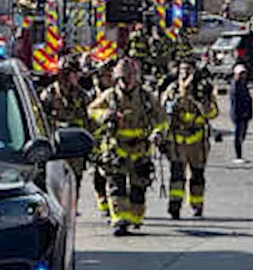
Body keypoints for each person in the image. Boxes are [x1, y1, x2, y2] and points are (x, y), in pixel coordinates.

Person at [88, 58, 166, 236]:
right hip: (117, 149)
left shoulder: (147, 97)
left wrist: (158, 133)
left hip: (140, 149)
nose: (126, 81)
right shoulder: (110, 96)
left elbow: (162, 118)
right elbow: (91, 110)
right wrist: (105, 114)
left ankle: (135, 218)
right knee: (117, 185)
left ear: (136, 77)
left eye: (129, 77)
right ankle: (119, 221)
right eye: (122, 78)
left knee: (139, 188)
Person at [162, 59, 219, 219]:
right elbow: (162, 111)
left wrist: (202, 100)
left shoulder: (202, 91)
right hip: (177, 142)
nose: (185, 74)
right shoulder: (172, 90)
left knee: (197, 176)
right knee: (177, 176)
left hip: (197, 142)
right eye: (182, 71)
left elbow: (213, 114)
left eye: (188, 70)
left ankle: (197, 206)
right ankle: (175, 207)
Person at [40, 57, 90, 188]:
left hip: (76, 151)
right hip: (56, 150)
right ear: (65, 75)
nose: (77, 77)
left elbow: (89, 120)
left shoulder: (82, 96)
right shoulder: (49, 96)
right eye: (75, 74)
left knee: (74, 185)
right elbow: (40, 122)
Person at [88, 60, 117, 218]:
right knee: (97, 175)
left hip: (112, 140)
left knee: (114, 174)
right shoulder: (91, 96)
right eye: (103, 76)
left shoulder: (114, 95)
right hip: (95, 141)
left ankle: (114, 205)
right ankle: (103, 201)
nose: (106, 79)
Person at [229, 63, 253, 163]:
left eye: (244, 73)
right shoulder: (235, 86)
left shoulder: (243, 84)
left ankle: (239, 155)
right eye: (240, 74)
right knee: (238, 135)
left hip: (245, 114)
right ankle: (238, 156)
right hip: (238, 114)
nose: (243, 75)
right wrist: (236, 114)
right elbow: (235, 102)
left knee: (242, 134)